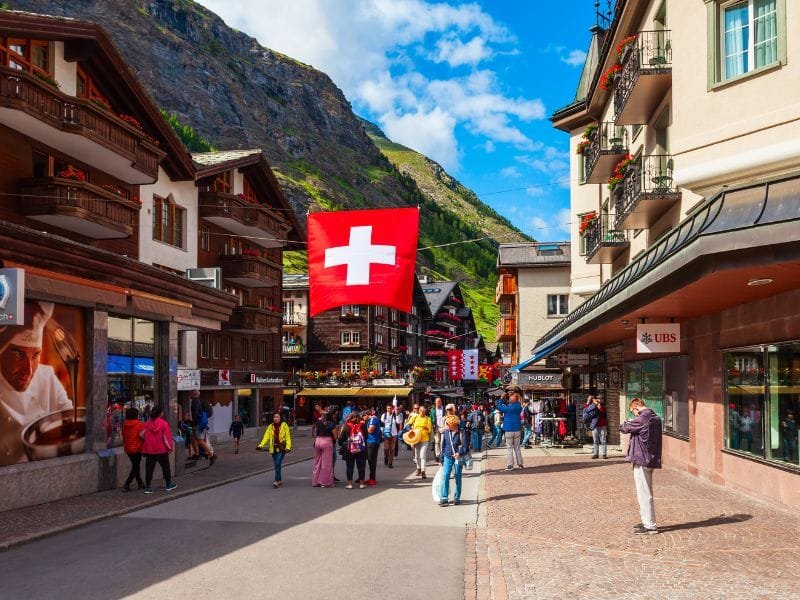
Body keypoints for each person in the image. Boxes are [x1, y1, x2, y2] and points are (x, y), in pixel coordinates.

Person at [0, 301, 72, 465]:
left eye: (35, 356)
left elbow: (69, 416)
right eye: (18, 355)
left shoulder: (46, 377)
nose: (29, 370)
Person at [620, 398, 662, 535]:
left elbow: (624, 428)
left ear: (637, 407)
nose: (634, 415)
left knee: (644, 493)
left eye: (633, 411)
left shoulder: (643, 418)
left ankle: (650, 525)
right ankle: (646, 520)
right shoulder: (655, 417)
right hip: (651, 458)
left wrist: (629, 421)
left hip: (642, 458)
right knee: (646, 491)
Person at [140, 406, 176, 493]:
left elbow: (141, 435)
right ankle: (168, 484)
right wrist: (170, 448)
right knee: (166, 468)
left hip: (149, 450)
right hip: (161, 450)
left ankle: (148, 487)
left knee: (149, 469)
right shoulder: (164, 424)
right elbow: (166, 438)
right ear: (160, 414)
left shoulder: (147, 423)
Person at [439, 415, 468, 506]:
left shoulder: (462, 432)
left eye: (448, 424)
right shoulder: (446, 432)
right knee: (446, 475)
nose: (447, 425)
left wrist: (459, 453)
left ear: (455, 425)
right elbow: (443, 446)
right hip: (448, 456)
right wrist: (441, 458)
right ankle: (444, 497)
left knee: (457, 476)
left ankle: (457, 497)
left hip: (458, 457)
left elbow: (465, 446)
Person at [258, 412, 292, 488]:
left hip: (282, 448)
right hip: (273, 448)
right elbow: (266, 437)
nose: (275, 418)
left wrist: (288, 447)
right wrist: (261, 445)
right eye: (274, 417)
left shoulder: (284, 425)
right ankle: (279, 480)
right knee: (277, 465)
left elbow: (288, 437)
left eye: (277, 417)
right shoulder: (270, 426)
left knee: (277, 463)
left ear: (280, 418)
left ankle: (276, 480)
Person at [496, 386, 524, 470]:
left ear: (510, 401)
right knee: (517, 448)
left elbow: (498, 406)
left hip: (508, 429)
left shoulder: (508, 408)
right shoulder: (519, 406)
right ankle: (520, 464)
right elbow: (517, 402)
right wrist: (512, 396)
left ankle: (510, 465)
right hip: (517, 429)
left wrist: (501, 398)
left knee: (509, 448)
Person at [339, 411, 367, 489]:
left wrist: (343, 443)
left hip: (349, 449)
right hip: (361, 449)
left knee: (350, 466)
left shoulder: (346, 426)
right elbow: (366, 436)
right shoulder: (363, 425)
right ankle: (361, 484)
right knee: (361, 466)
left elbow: (341, 439)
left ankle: (350, 484)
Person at [311, 409, 336, 487]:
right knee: (326, 463)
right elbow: (335, 436)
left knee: (317, 462)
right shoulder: (331, 424)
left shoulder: (318, 423)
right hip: (327, 441)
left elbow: (315, 433)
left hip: (318, 441)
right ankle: (325, 482)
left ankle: (315, 481)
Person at [121, 407, 144, 491]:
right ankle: (127, 484)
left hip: (128, 448)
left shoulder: (124, 424)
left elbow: (123, 436)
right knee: (136, 466)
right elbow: (142, 436)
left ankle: (140, 483)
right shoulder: (140, 424)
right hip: (137, 448)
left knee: (135, 465)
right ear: (136, 415)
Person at [408, 405, 432, 478]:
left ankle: (423, 471)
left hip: (425, 439)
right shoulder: (415, 417)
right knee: (417, 456)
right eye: (421, 411)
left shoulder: (428, 419)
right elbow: (409, 424)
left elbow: (429, 430)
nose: (422, 412)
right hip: (416, 438)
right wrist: (411, 429)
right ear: (419, 411)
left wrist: (426, 428)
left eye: (424, 411)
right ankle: (418, 468)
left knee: (422, 455)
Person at [364, 410, 382, 485]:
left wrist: (364, 427)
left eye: (363, 416)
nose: (363, 418)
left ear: (366, 415)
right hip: (371, 442)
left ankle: (372, 479)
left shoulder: (373, 419)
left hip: (372, 442)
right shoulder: (370, 420)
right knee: (370, 460)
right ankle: (371, 478)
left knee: (372, 460)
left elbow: (370, 430)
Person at [380, 404, 400, 468]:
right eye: (388, 408)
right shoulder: (384, 415)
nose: (389, 409)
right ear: (386, 408)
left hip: (394, 434)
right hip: (386, 433)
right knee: (386, 448)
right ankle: (386, 457)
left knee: (392, 449)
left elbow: (398, 422)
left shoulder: (395, 415)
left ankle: (390, 463)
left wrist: (396, 415)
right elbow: (382, 421)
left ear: (392, 409)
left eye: (390, 408)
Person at [432, 397, 445, 463]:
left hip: (443, 427)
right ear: (435, 402)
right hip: (436, 427)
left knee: (442, 442)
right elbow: (431, 418)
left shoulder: (444, 409)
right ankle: (438, 455)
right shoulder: (433, 410)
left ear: (441, 402)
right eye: (437, 402)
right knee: (437, 442)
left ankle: (442, 455)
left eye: (439, 402)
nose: (438, 403)